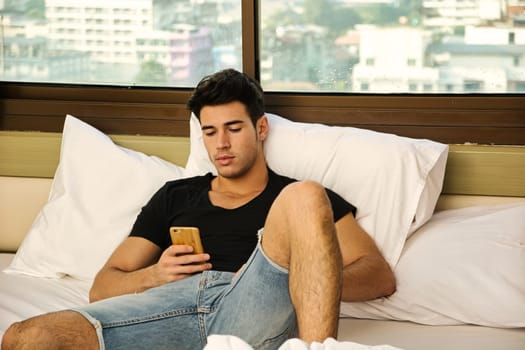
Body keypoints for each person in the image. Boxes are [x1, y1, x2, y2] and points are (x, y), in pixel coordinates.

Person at [2, 69, 395, 350]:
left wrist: (299, 274)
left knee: (307, 194)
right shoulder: (175, 195)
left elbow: (378, 276)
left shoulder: (294, 199)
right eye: (210, 132)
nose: (221, 143)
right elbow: (101, 287)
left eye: (234, 128)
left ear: (261, 129)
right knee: (24, 338)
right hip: (168, 310)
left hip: (252, 307)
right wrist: (156, 274)